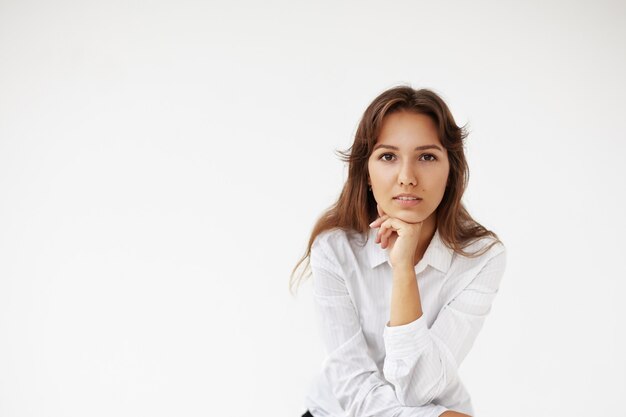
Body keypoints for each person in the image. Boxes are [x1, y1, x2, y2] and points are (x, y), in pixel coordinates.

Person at [290, 86, 507, 417]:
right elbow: (354, 388)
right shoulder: (335, 249)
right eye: (388, 156)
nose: (407, 177)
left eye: (427, 157)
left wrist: (403, 268)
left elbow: (418, 388)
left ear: (451, 172)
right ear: (366, 172)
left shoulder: (481, 257)